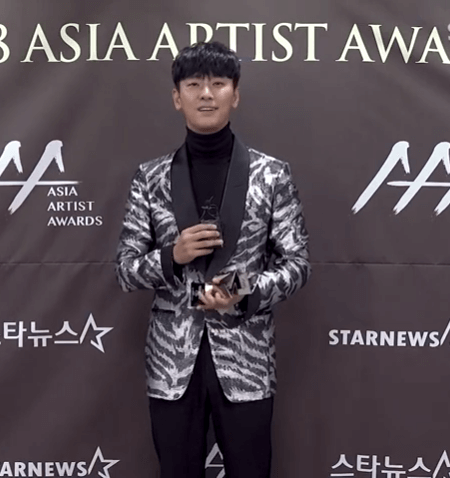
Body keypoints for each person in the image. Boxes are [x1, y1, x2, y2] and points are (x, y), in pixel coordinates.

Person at [115, 41, 310, 478]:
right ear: (177, 97)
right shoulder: (150, 178)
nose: (206, 93)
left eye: (218, 83)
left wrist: (239, 290)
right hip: (172, 363)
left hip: (246, 359)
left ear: (234, 94)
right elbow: (126, 270)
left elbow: (298, 264)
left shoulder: (271, 175)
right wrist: (172, 255)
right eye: (194, 84)